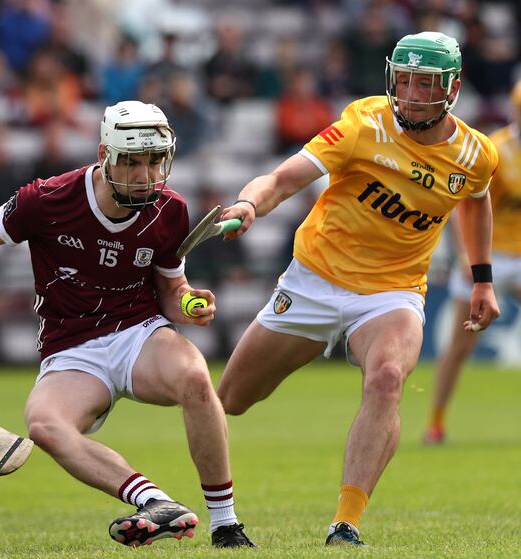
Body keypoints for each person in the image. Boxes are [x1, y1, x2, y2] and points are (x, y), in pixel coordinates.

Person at [0, 101, 254, 549]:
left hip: (139, 332)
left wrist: (189, 303)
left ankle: (226, 525)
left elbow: (171, 292)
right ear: (105, 155)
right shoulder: (47, 199)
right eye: (133, 162)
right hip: (72, 348)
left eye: (155, 161)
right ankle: (155, 502)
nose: (145, 175)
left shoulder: (169, 211)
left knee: (196, 378)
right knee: (43, 425)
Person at [215, 32, 501, 547]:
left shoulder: (475, 154)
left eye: (425, 83)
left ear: (453, 87)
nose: (411, 94)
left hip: (392, 292)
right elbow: (283, 179)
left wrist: (482, 278)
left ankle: (345, 525)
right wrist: (251, 204)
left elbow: (476, 200)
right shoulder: (362, 125)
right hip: (314, 281)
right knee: (231, 399)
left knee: (388, 376)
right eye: (405, 80)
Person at [425, 77, 521, 444]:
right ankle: (436, 422)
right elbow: (467, 204)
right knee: (461, 346)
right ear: (515, 111)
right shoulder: (495, 150)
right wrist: (468, 255)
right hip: (487, 256)